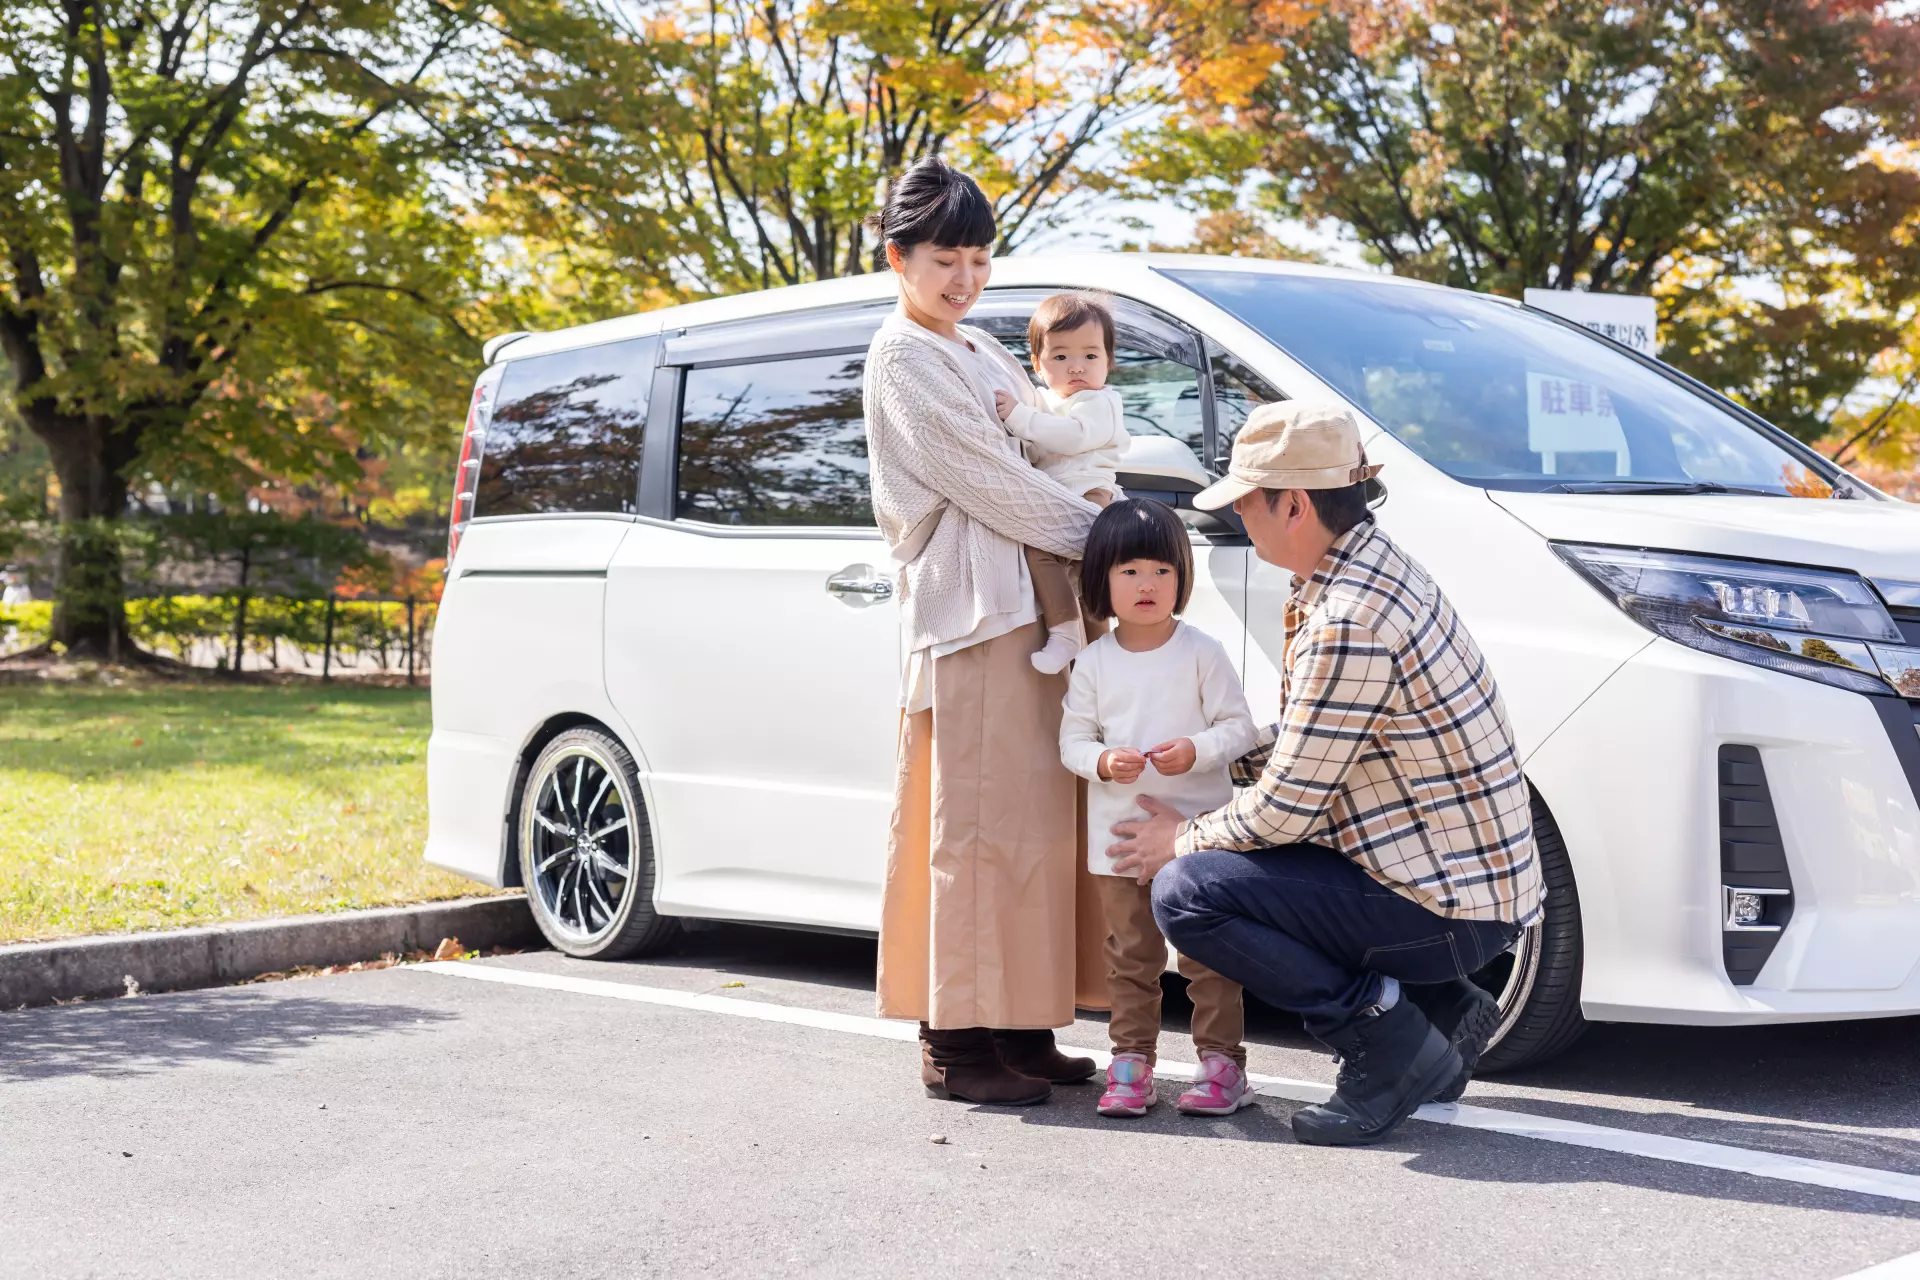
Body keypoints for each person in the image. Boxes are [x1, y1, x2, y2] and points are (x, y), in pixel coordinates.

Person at [1107, 400, 1543, 1147]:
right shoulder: (1379, 567)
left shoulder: (1349, 616)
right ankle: (1439, 1010)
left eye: (1247, 500)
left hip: (1442, 911)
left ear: (1295, 504)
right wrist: (1216, 751)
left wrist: (1177, 840)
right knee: (1226, 867)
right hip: (1472, 894)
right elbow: (1325, 736)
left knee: (1189, 893)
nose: (1241, 515)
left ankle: (1386, 1040)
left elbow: (1283, 814)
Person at [862, 157, 1109, 1106]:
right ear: (899, 257)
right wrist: (1112, 537)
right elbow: (992, 481)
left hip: (1029, 608)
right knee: (971, 827)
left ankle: (1019, 1021)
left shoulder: (982, 348)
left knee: (1036, 825)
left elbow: (1060, 440)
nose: (964, 278)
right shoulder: (903, 354)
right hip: (971, 616)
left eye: (978, 257)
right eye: (943, 259)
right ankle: (955, 1042)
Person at [1059, 499, 1260, 1118]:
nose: (1147, 585)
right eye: (1129, 572)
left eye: (1161, 571)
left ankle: (1222, 1065)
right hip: (1117, 841)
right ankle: (1131, 1061)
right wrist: (1100, 761)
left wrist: (1196, 749)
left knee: (1207, 955)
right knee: (1130, 955)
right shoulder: (1093, 661)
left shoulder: (1202, 650)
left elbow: (1241, 728)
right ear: (1101, 581)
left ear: (1181, 578)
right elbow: (1072, 741)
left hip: (1198, 839)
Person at [990, 292, 1130, 674]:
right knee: (1054, 562)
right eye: (1061, 356)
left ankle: (1089, 643)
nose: (1077, 367)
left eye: (1090, 355)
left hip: (1090, 493)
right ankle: (1071, 634)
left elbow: (1073, 437)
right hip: (1057, 497)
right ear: (1038, 364)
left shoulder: (1099, 402)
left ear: (1108, 362)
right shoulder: (1042, 402)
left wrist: (1019, 418)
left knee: (1085, 568)